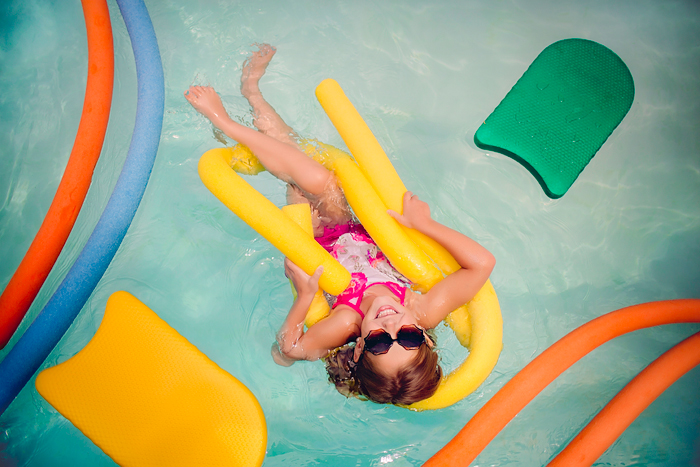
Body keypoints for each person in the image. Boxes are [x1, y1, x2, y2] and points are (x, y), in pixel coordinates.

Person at [184, 44, 495, 405]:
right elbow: (482, 264)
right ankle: (252, 95)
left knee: (311, 180)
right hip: (361, 223)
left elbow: (285, 353)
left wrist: (303, 299)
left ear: (361, 346)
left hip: (318, 232)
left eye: (380, 342)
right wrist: (423, 224)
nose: (390, 326)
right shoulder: (423, 308)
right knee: (308, 166)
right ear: (423, 336)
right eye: (407, 337)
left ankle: (227, 121)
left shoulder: (346, 322)